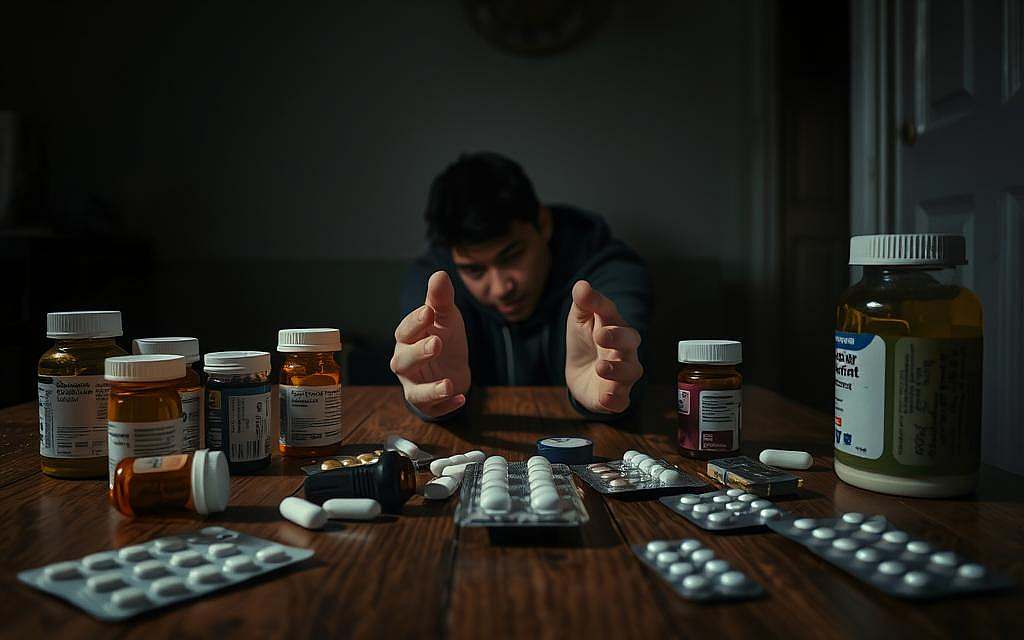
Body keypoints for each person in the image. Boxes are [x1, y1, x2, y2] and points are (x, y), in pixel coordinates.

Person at [392, 152, 651, 421]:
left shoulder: (609, 270)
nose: (501, 287)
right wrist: (433, 395)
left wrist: (610, 387)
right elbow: (422, 376)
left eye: (512, 256)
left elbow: (627, 361)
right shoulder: (434, 280)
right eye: (474, 269)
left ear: (543, 223)